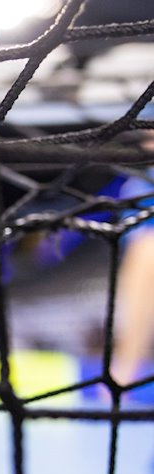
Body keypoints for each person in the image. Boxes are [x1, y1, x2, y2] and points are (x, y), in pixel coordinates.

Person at [110, 133, 154, 390]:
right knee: (144, 253)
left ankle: (125, 368)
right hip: (141, 261)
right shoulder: (136, 186)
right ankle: (125, 366)